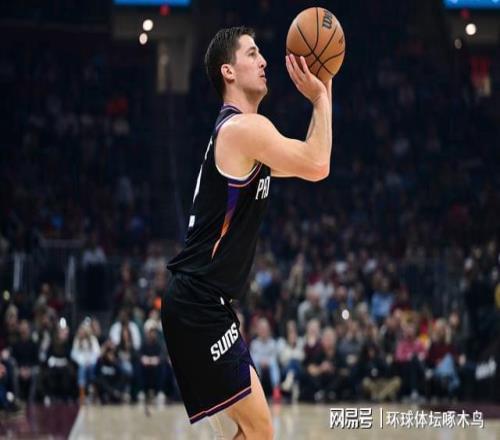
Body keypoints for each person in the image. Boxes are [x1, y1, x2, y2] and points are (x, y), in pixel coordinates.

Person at [161, 26, 333, 439]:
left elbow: (311, 159)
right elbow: (318, 163)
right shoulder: (244, 130)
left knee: (246, 433)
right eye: (252, 53)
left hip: (203, 304)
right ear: (228, 71)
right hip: (198, 304)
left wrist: (323, 90)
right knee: (259, 430)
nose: (264, 61)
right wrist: (321, 96)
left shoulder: (247, 136)